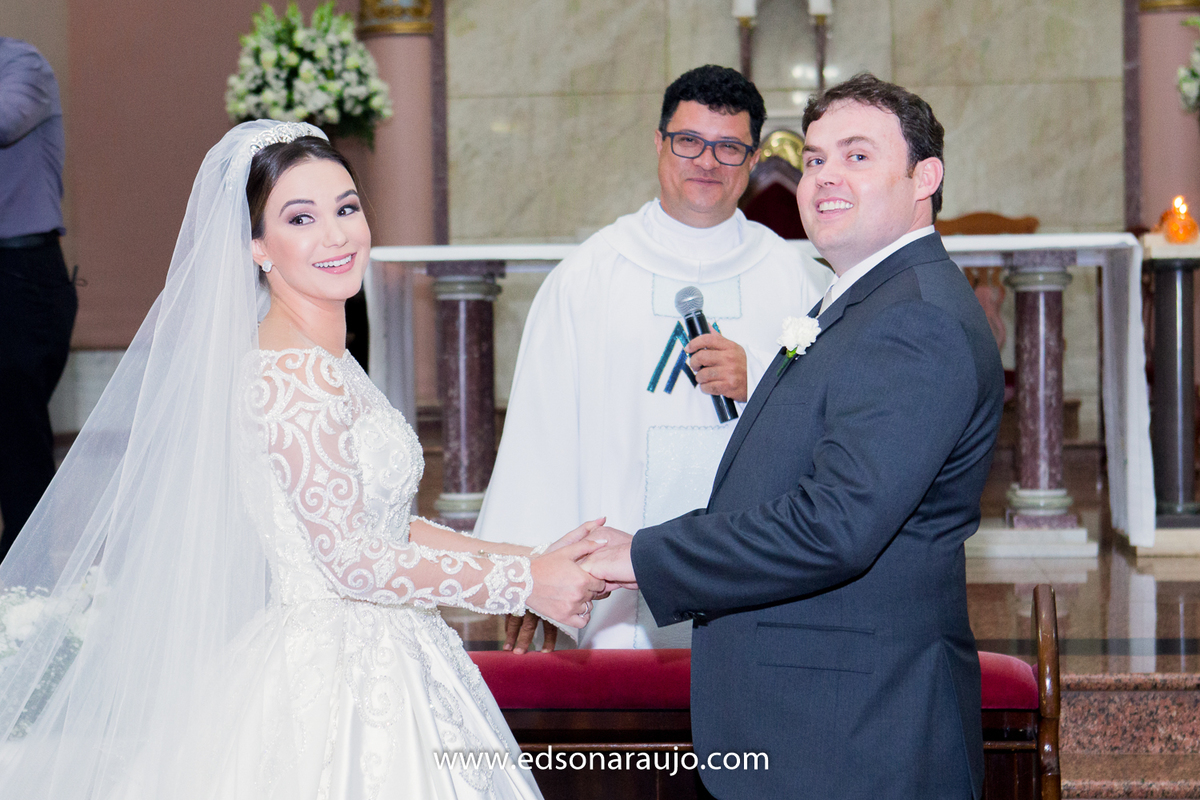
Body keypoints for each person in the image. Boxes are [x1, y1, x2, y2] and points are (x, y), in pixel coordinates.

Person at [0, 121, 607, 799]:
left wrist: (527, 558)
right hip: (337, 676)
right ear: (257, 246)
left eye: (347, 208)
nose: (337, 235)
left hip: (381, 645)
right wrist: (520, 584)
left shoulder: (327, 360)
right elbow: (350, 560)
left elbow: (384, 525)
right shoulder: (292, 376)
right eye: (301, 218)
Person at [581, 74, 1004, 798]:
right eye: (813, 160)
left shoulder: (915, 320)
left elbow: (835, 527)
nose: (825, 177)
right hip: (821, 725)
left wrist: (644, 554)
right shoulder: (866, 300)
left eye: (857, 156)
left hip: (857, 736)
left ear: (923, 178)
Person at [475, 65, 831, 652]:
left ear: (753, 158)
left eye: (728, 147)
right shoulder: (589, 276)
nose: (706, 161)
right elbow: (542, 432)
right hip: (612, 596)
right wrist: (530, 571)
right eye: (689, 141)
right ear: (659, 142)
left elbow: (834, 417)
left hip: (756, 581)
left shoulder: (791, 275)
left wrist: (762, 378)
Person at [0, 38, 76, 562]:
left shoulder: (24, 64)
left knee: (16, 439)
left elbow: (5, 121)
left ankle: (29, 588)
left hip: (20, 276)